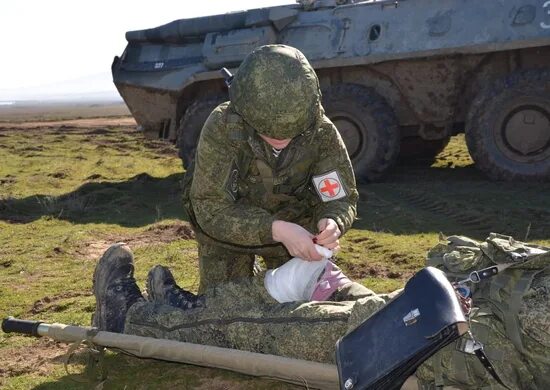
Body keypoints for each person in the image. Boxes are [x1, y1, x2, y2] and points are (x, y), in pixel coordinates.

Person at [92, 234, 549, 389]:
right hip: (454, 324)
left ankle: (131, 319)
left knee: (272, 328)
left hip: (443, 353)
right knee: (328, 290)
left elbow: (532, 325)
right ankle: (185, 311)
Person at [182, 44, 362, 295]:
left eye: (292, 132)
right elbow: (210, 207)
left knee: (301, 308)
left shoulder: (321, 133)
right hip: (229, 234)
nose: (281, 139)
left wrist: (332, 221)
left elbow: (339, 197)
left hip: (299, 236)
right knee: (222, 311)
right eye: (268, 131)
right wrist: (276, 229)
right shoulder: (224, 127)